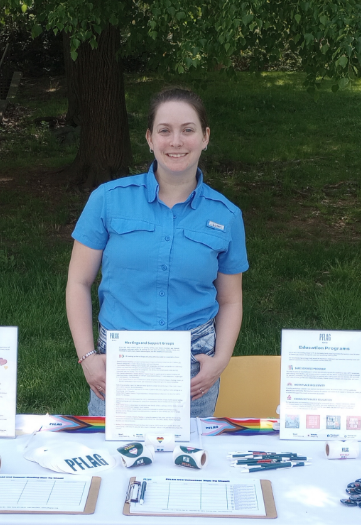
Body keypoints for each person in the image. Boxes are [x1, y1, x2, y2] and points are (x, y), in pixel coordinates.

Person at [66, 87, 247, 418]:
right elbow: (78, 282)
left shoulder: (227, 215)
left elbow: (231, 299)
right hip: (120, 360)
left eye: (188, 130)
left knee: (186, 463)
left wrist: (220, 360)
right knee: (117, 461)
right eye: (165, 131)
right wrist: (88, 357)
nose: (176, 141)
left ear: (205, 137)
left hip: (194, 365)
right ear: (150, 138)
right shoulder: (107, 200)